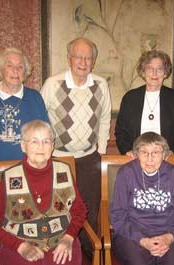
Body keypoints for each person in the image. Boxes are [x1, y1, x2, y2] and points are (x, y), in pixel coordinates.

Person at [0, 119, 87, 265]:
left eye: (46, 141)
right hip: (19, 245)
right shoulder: (10, 178)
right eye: (34, 141)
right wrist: (20, 246)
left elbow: (79, 210)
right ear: (23, 146)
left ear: (52, 146)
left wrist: (69, 238)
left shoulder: (64, 171)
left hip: (62, 241)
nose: (41, 147)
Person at [40, 37, 111, 253]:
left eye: (88, 58)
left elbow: (105, 118)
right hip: (58, 158)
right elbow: (41, 120)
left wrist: (100, 151)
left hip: (89, 158)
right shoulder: (53, 84)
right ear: (69, 59)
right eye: (79, 57)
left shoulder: (101, 84)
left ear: (94, 62)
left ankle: (89, 255)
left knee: (89, 208)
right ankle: (59, 254)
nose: (83, 61)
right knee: (59, 210)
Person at [110, 132, 174, 265]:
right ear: (136, 154)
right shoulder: (126, 173)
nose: (149, 159)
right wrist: (142, 240)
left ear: (165, 154)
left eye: (155, 152)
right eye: (144, 152)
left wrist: (169, 237)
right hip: (133, 234)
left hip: (169, 232)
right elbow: (118, 215)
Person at [115, 50, 174, 158]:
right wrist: (127, 150)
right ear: (143, 71)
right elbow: (121, 131)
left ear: (165, 73)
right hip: (136, 159)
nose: (154, 73)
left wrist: (172, 151)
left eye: (159, 69)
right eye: (150, 68)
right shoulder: (130, 98)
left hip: (165, 159)